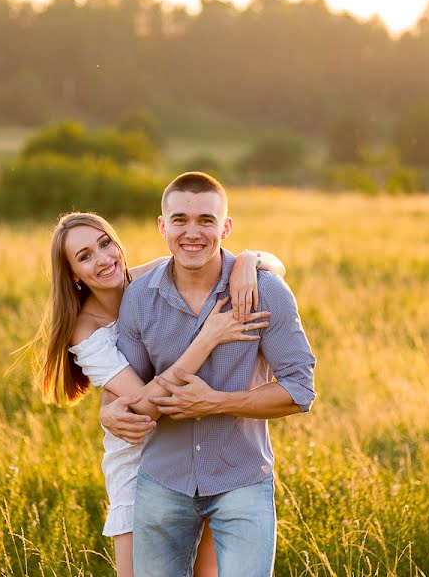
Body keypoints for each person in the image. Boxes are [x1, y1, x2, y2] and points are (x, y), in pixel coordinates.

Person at [28, 211, 287, 577]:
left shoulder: (153, 277)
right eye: (84, 256)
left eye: (105, 244)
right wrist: (209, 337)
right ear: (72, 273)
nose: (103, 259)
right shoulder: (86, 330)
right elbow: (149, 407)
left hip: (197, 442)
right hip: (138, 458)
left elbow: (274, 266)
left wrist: (248, 261)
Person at [101, 172, 316, 576]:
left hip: (242, 479)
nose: (192, 232)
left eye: (206, 220)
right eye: (180, 220)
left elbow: (300, 388)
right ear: (162, 226)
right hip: (163, 481)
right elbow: (125, 386)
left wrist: (216, 402)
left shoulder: (266, 292)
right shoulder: (139, 298)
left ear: (226, 227)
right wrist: (107, 409)